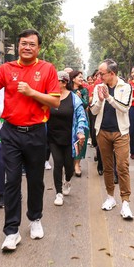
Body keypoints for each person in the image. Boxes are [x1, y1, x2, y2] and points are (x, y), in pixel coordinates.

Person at [0, 29, 60, 252]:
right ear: (18, 46)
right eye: (23, 43)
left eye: (32, 44)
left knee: (35, 180)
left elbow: (55, 102)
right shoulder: (6, 69)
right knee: (11, 181)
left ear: (38, 48)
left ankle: (35, 218)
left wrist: (32, 92)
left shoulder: (47, 69)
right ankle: (11, 230)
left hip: (36, 132)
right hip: (10, 132)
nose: (27, 47)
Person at [90, 59, 134, 220]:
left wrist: (108, 98)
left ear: (112, 73)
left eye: (102, 73)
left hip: (121, 132)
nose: (99, 76)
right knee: (107, 167)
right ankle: (110, 197)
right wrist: (100, 100)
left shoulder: (125, 87)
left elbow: (124, 108)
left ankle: (125, 202)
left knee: (122, 166)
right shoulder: (98, 88)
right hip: (102, 131)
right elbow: (94, 111)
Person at [48, 71, 88, 207]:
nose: (53, 84)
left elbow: (81, 116)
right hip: (53, 137)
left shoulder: (74, 98)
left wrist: (80, 131)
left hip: (70, 139)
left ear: (64, 83)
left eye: (56, 81)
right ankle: (58, 193)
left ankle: (68, 180)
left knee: (69, 167)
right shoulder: (50, 96)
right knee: (57, 163)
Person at [70, 70, 89, 177]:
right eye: (79, 77)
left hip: (81, 120)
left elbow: (86, 105)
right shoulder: (67, 90)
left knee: (80, 141)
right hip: (69, 119)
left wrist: (80, 97)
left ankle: (77, 164)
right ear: (73, 79)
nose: (81, 79)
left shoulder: (84, 91)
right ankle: (69, 163)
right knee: (70, 140)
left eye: (82, 77)